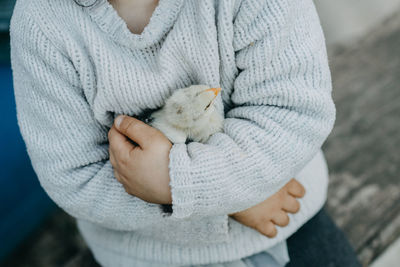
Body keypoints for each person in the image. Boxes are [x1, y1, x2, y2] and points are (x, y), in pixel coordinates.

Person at [10, 0, 361, 266]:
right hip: (146, 255)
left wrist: (184, 182)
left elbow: (290, 111)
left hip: (280, 219)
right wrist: (217, 199)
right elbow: (74, 175)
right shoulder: (42, 22)